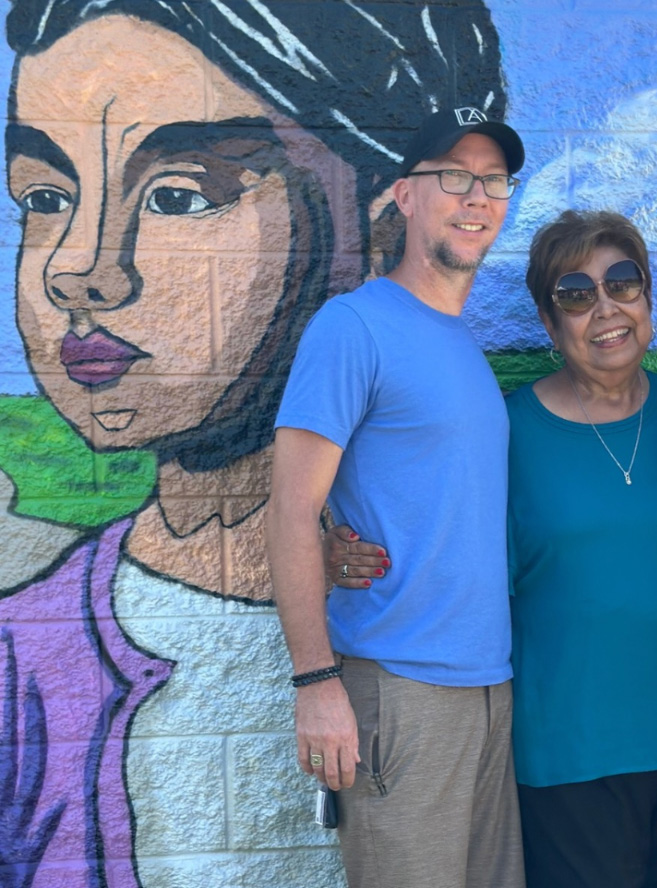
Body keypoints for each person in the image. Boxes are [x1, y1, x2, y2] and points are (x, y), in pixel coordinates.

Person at [0, 1, 509, 884]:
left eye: (179, 195)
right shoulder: (28, 663)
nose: (79, 267)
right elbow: (297, 502)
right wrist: (318, 681)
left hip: (469, 693)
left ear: (372, 214)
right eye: (44, 199)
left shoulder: (441, 341)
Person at [328, 209, 657, 888]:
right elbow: (435, 524)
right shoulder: (510, 433)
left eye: (623, 283)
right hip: (570, 755)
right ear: (548, 322)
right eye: (575, 294)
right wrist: (339, 544)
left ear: (648, 296)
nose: (606, 309)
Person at [266, 106, 527, 888]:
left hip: (490, 688)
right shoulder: (355, 328)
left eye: (492, 180)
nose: (475, 196)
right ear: (403, 196)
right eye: (453, 177)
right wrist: (316, 685)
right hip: (399, 692)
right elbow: (289, 509)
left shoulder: (461, 344)